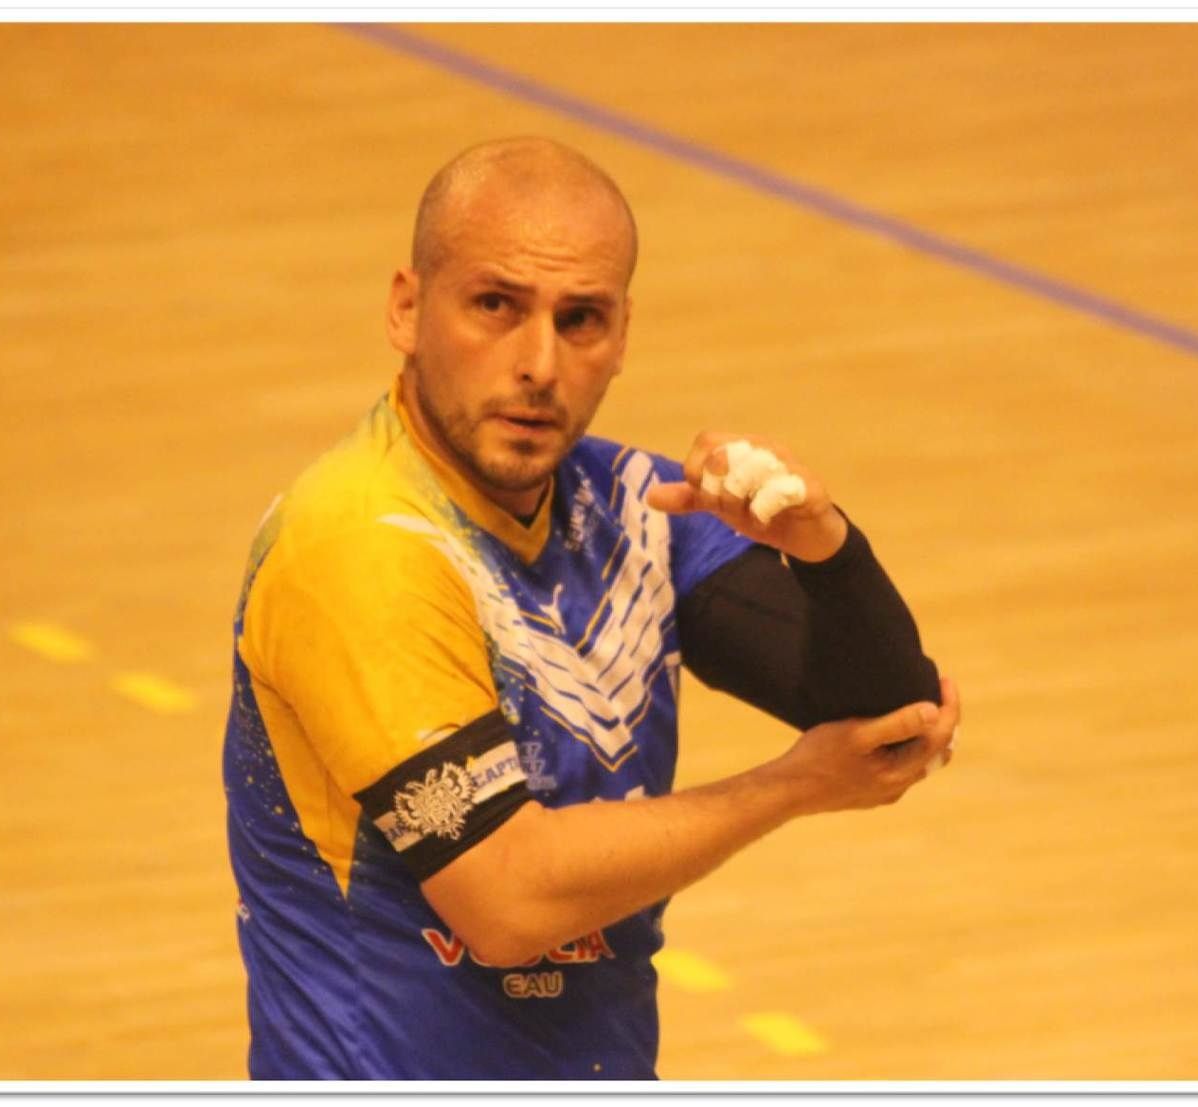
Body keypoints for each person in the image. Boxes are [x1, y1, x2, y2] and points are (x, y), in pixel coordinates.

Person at [222, 136, 960, 1081]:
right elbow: (507, 901)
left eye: (580, 320)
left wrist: (824, 544)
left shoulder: (633, 508)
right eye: (496, 306)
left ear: (622, 336)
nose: (539, 363)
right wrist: (792, 785)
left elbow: (892, 713)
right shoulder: (358, 544)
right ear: (407, 308)